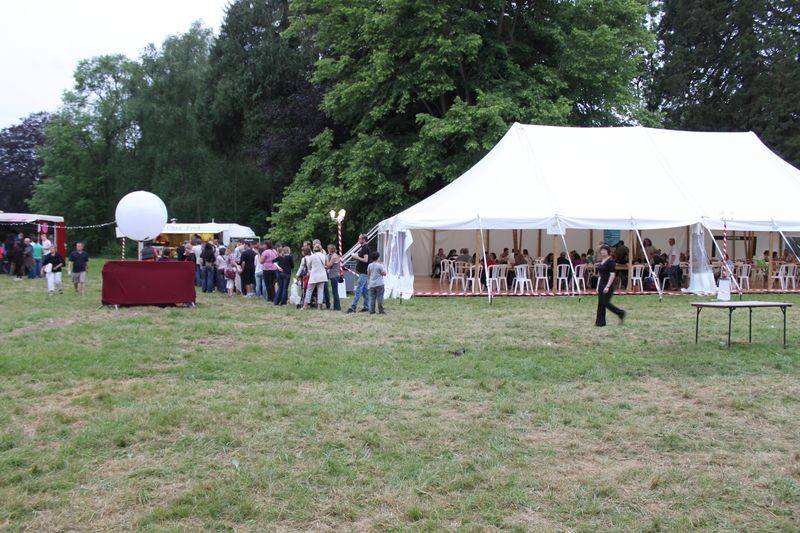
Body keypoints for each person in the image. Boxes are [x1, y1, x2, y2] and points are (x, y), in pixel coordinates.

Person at [595, 244, 625, 327]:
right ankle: (600, 322)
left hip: (608, 284)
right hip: (601, 283)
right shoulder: (602, 261)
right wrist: (598, 286)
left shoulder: (611, 261)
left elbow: (612, 275)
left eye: (604, 250)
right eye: (602, 250)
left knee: (605, 303)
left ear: (608, 252)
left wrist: (607, 286)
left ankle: (620, 313)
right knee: (601, 303)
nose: (603, 252)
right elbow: (600, 275)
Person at [347, 234, 371, 314]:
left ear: (364, 240)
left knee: (358, 289)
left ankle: (353, 307)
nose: (358, 240)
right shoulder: (364, 248)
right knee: (364, 291)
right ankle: (367, 307)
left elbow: (365, 260)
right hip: (363, 272)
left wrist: (356, 257)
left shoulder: (365, 248)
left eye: (359, 239)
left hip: (364, 272)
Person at [302, 244, 328, 310]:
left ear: (314, 249)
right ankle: (319, 306)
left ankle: (305, 305)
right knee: (320, 291)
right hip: (322, 275)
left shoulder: (312, 256)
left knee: (309, 290)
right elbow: (326, 264)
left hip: (314, 275)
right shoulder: (323, 255)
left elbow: (308, 265)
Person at [326, 244, 342, 311]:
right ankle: (336, 306)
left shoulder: (334, 256)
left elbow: (329, 265)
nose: (328, 250)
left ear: (331, 249)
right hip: (335, 275)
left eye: (328, 249)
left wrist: (326, 259)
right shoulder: (334, 255)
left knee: (335, 291)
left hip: (334, 275)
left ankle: (337, 307)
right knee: (334, 291)